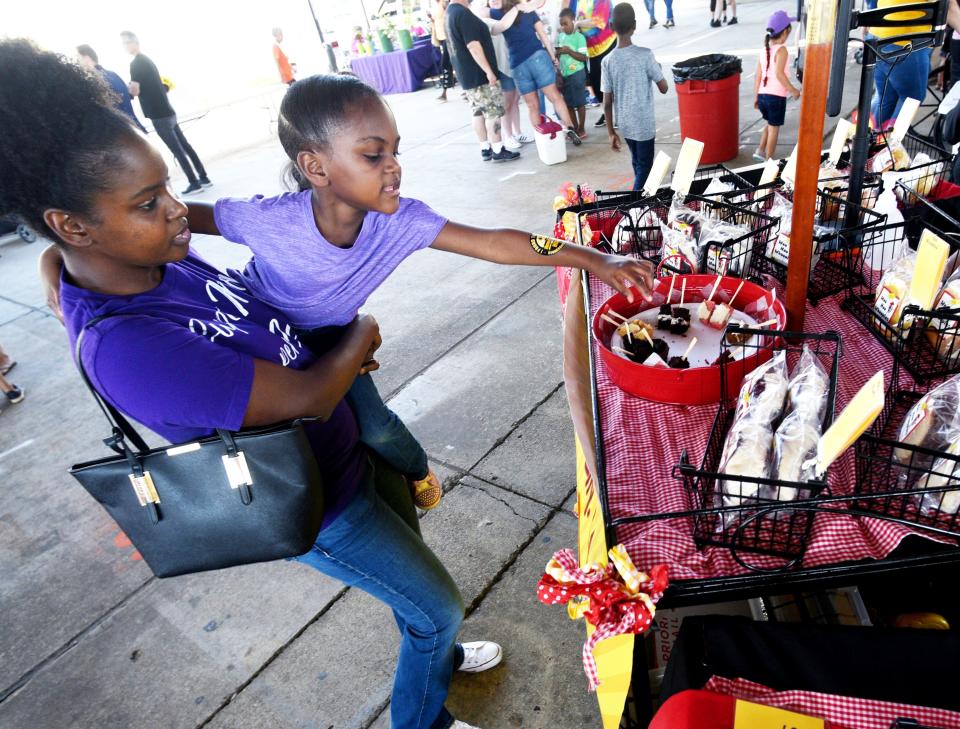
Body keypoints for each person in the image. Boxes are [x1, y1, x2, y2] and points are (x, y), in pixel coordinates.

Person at [2, 38, 499, 729]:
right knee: (436, 606)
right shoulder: (125, 346)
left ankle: (433, 651)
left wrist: (56, 260)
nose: (178, 210)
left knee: (415, 589)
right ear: (71, 224)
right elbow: (306, 398)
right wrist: (360, 333)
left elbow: (253, 319)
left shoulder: (154, 260)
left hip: (354, 451)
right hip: (322, 505)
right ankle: (425, 715)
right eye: (150, 201)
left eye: (169, 187)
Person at [120, 31, 212, 196]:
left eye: (126, 43)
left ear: (134, 43)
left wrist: (125, 92)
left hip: (158, 114)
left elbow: (135, 89)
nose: (125, 47)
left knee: (176, 150)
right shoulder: (148, 60)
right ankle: (204, 177)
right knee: (185, 146)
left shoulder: (135, 64)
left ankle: (194, 182)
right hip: (168, 111)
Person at [485, 0, 583, 146]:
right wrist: (552, 56)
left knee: (532, 106)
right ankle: (569, 127)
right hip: (538, 57)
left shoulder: (495, 13)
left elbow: (485, 16)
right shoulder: (527, 10)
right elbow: (543, 35)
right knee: (555, 97)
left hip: (517, 65)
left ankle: (542, 140)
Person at [602, 3, 669, 191]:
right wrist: (657, 68)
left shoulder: (607, 61)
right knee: (645, 168)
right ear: (634, 25)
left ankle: (640, 201)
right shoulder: (646, 55)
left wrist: (610, 132)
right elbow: (664, 88)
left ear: (611, 26)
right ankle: (634, 204)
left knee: (638, 163)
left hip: (625, 123)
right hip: (644, 123)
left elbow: (607, 103)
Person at [445, 0, 521, 162]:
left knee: (478, 112)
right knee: (493, 112)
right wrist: (489, 72)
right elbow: (473, 46)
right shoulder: (462, 14)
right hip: (479, 75)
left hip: (467, 76)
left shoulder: (450, 14)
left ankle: (485, 148)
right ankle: (498, 149)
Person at [871, 0, 935, 126]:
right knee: (911, 99)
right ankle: (889, 143)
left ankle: (870, 141)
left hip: (879, 35)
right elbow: (949, 9)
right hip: (905, 41)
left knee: (885, 98)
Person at [752, 11, 802, 161]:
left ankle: (760, 150)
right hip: (775, 98)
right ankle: (769, 160)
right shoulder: (782, 50)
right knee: (774, 130)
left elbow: (758, 76)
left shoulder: (764, 50)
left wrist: (756, 97)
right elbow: (780, 74)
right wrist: (793, 90)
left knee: (770, 124)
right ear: (786, 31)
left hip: (762, 96)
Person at [559, 0, 616, 128]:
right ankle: (607, 113)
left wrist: (578, 23)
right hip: (590, 49)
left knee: (611, 82)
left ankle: (617, 114)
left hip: (606, 44)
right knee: (596, 83)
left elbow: (599, 21)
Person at [482, 1, 530, 149]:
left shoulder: (510, 13)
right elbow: (499, 25)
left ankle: (517, 132)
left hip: (515, 63)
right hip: (502, 67)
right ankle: (507, 136)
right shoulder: (486, 18)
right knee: (507, 103)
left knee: (515, 100)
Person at [75, 44, 147, 132]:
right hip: (137, 130)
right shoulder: (113, 75)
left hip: (124, 135)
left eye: (77, 58)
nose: (76, 63)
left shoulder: (95, 82)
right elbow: (129, 96)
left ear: (86, 58)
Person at [557, 8, 589, 138]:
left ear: (573, 21)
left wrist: (569, 51)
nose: (564, 27)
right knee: (568, 104)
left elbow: (583, 57)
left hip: (577, 73)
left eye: (566, 24)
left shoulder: (579, 37)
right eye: (561, 25)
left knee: (580, 102)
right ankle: (574, 128)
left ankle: (581, 128)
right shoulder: (560, 36)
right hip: (565, 74)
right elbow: (558, 55)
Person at [432, 0, 456, 101]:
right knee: (448, 64)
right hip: (441, 37)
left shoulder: (444, 2)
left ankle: (445, 92)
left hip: (448, 37)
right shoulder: (435, 4)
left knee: (447, 63)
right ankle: (445, 91)